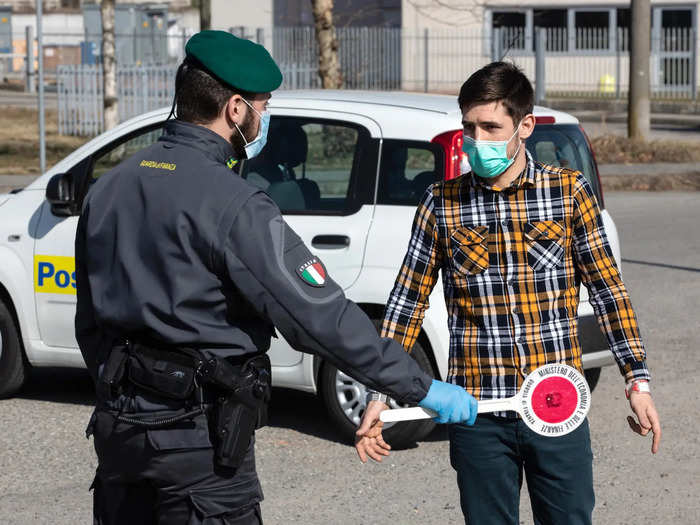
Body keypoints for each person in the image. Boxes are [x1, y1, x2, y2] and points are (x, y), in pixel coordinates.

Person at [75, 31, 477, 525]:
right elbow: (317, 316)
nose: (266, 119)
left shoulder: (110, 186)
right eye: (264, 107)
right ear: (237, 109)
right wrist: (421, 387)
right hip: (200, 441)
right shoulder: (233, 203)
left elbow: (89, 321)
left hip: (120, 432)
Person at [356, 62, 661, 524]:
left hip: (557, 406)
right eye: (469, 127)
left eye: (490, 127)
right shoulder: (441, 202)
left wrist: (636, 381)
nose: (477, 140)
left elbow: (608, 291)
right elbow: (406, 303)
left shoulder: (567, 193)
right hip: (477, 414)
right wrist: (378, 395)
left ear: (525, 126)